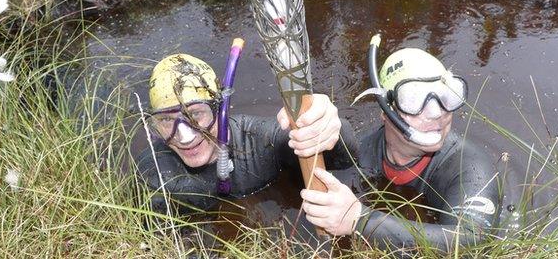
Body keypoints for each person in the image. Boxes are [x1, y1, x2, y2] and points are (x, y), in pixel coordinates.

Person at [300, 46, 501, 251]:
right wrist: (314, 121)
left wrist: (360, 220)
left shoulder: (469, 165)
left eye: (447, 95)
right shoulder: (365, 148)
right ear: (386, 111)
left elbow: (472, 240)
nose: (436, 113)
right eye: (413, 100)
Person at [136, 53, 356, 214]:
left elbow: (346, 157)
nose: (183, 136)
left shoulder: (260, 140)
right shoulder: (154, 169)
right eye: (166, 120)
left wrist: (327, 127)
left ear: (220, 108)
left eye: (195, 115)